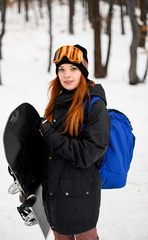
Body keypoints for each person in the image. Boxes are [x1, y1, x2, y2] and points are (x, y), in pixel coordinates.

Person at [39, 45, 110, 240]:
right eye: (61, 69)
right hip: (55, 194)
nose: (66, 75)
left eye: (73, 69)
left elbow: (89, 153)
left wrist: (50, 134)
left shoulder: (95, 106)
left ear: (83, 72)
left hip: (81, 197)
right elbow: (50, 149)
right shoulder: (58, 101)